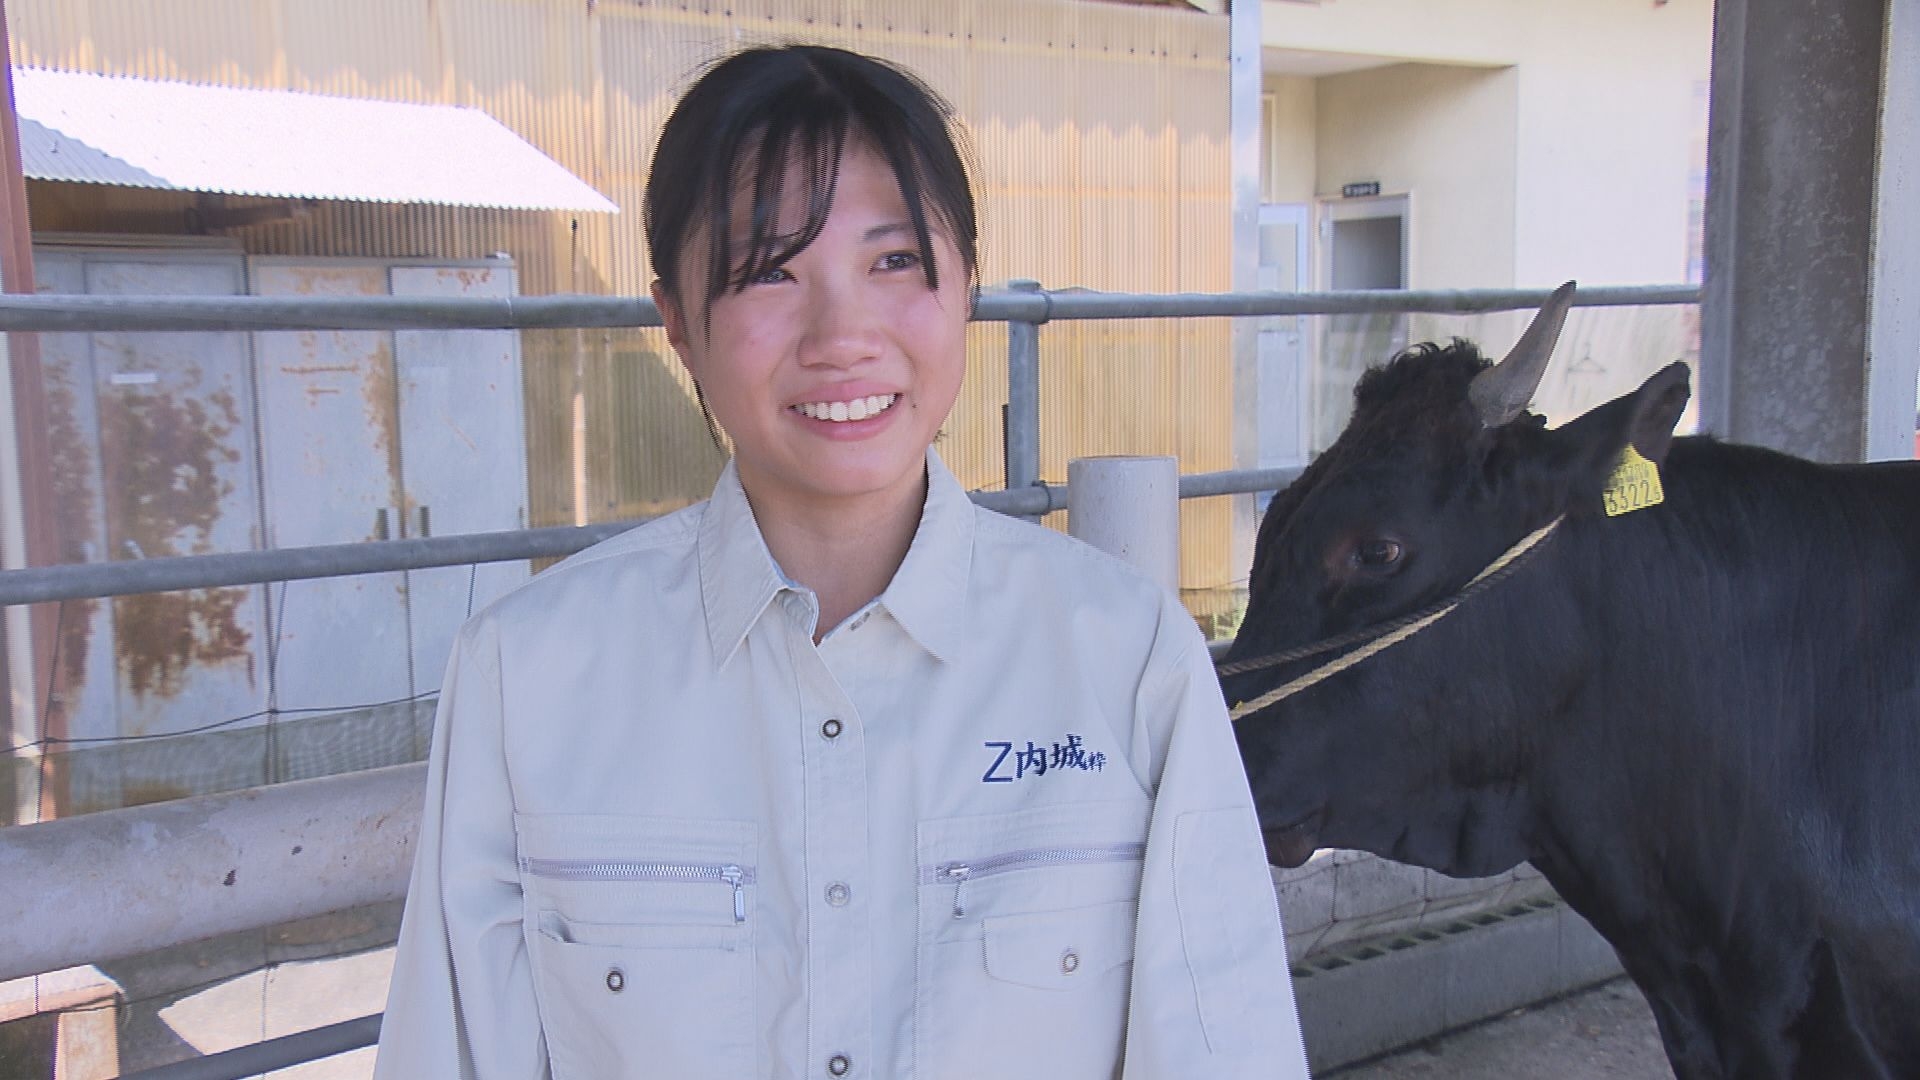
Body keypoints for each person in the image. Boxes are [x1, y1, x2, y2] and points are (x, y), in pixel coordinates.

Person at [374, 44, 1310, 1080]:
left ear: (966, 286)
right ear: (676, 322)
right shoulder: (526, 678)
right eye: (768, 271)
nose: (841, 335)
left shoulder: (1129, 661)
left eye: (893, 261)